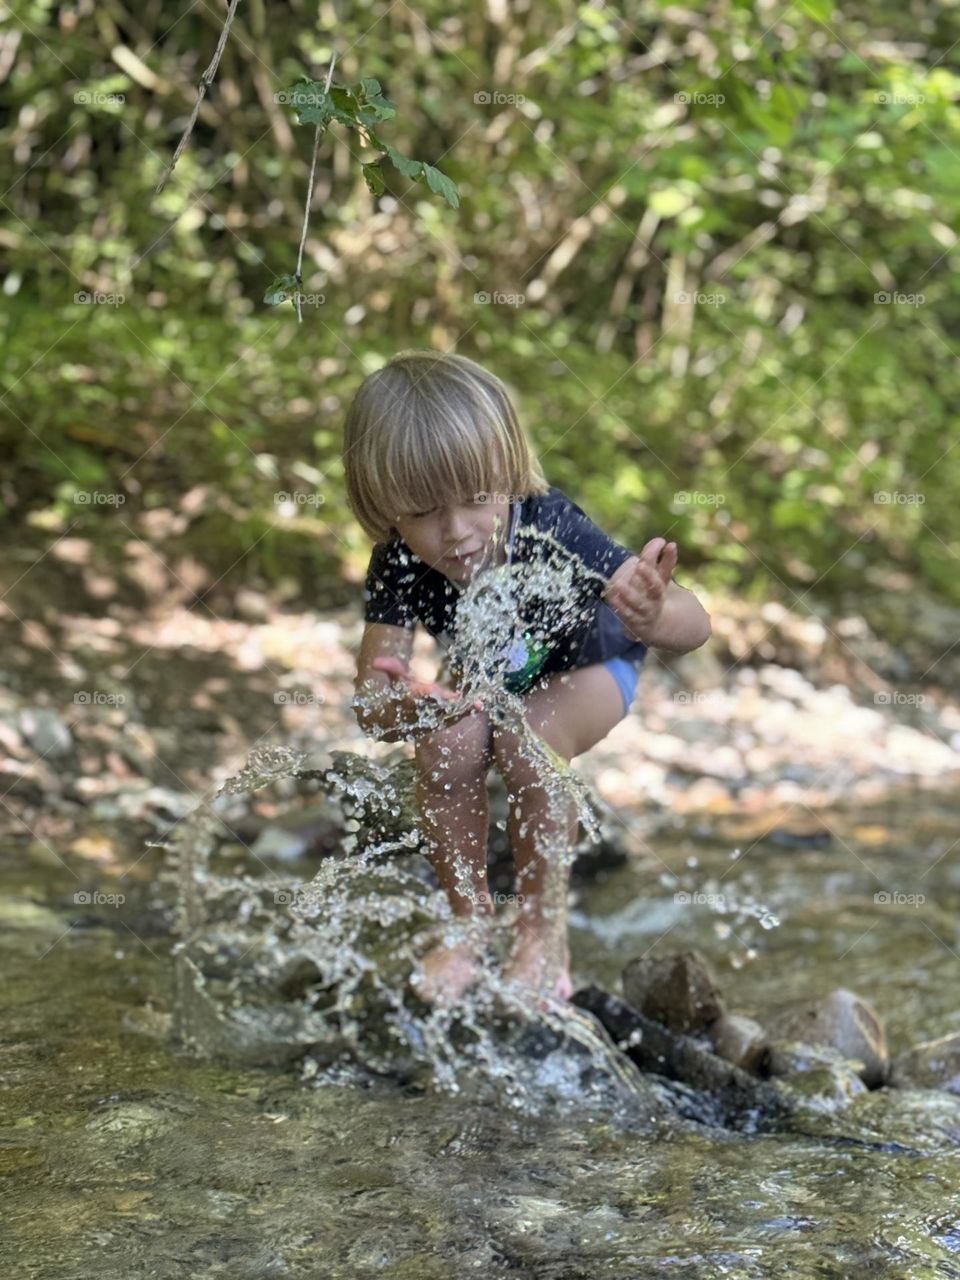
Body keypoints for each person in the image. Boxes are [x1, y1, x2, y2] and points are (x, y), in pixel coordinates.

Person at [343, 349, 712, 1005]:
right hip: (494, 675)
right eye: (422, 512)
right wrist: (402, 704)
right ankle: (469, 925)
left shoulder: (549, 525)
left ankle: (541, 935)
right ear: (382, 505)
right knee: (447, 741)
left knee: (526, 740)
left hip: (593, 667)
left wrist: (656, 614)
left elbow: (697, 625)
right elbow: (372, 703)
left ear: (507, 474)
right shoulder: (397, 561)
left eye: (475, 500)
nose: (456, 533)